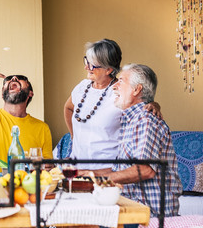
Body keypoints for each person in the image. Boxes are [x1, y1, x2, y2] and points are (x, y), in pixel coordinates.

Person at [64, 39, 160, 174]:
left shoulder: (120, 92)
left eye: (92, 65)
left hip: (106, 171)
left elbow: (141, 108)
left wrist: (154, 104)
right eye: (86, 60)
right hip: (78, 168)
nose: (86, 67)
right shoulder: (82, 87)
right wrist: (74, 137)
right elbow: (68, 108)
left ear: (108, 69)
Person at [108, 63, 182, 217]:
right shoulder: (129, 121)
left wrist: (103, 181)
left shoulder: (145, 120)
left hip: (147, 215)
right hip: (132, 209)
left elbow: (145, 170)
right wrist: (87, 176)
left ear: (137, 89)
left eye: (121, 80)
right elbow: (119, 171)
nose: (115, 85)